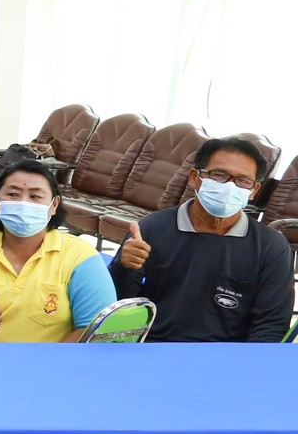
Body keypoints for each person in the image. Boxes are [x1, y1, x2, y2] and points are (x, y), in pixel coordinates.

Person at [109, 136, 294, 343]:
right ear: (194, 177)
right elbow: (118, 305)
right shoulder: (152, 228)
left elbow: (271, 325)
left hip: (226, 355)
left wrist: (245, 361)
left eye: (243, 181)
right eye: (219, 175)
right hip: (154, 346)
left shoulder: (270, 247)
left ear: (254, 191)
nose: (229, 186)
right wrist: (123, 267)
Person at [0, 160, 116, 342]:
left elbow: (93, 331)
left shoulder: (81, 256)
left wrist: (48, 360)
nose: (23, 203)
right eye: (13, 194)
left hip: (53, 360)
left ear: (54, 205)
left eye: (35, 196)